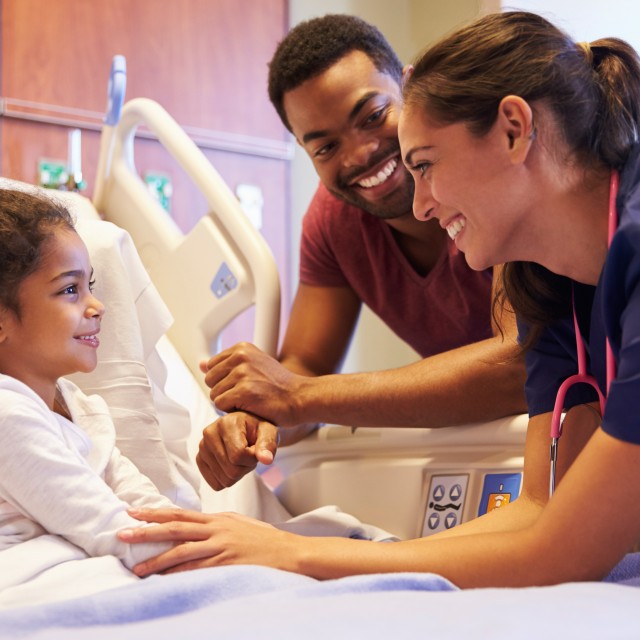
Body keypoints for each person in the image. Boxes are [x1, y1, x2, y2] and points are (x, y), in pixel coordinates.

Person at [120, 10, 640, 587]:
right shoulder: (551, 283)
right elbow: (541, 516)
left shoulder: (595, 252)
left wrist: (297, 554)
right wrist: (290, 537)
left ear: (514, 129)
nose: (419, 204)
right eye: (322, 147)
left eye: (424, 163)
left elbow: (560, 550)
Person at [195, 14, 526, 491]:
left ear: (409, 86)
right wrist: (258, 419)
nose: (358, 155)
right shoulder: (333, 224)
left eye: (372, 116)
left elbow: (517, 364)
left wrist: (298, 396)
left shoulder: (492, 174)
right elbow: (304, 364)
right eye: (325, 146)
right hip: (491, 446)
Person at [0, 188, 180, 571]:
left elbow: (150, 508)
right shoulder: (6, 415)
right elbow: (113, 531)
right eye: (70, 290)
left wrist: (224, 536)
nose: (97, 306)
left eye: (90, 287)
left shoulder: (77, 406)